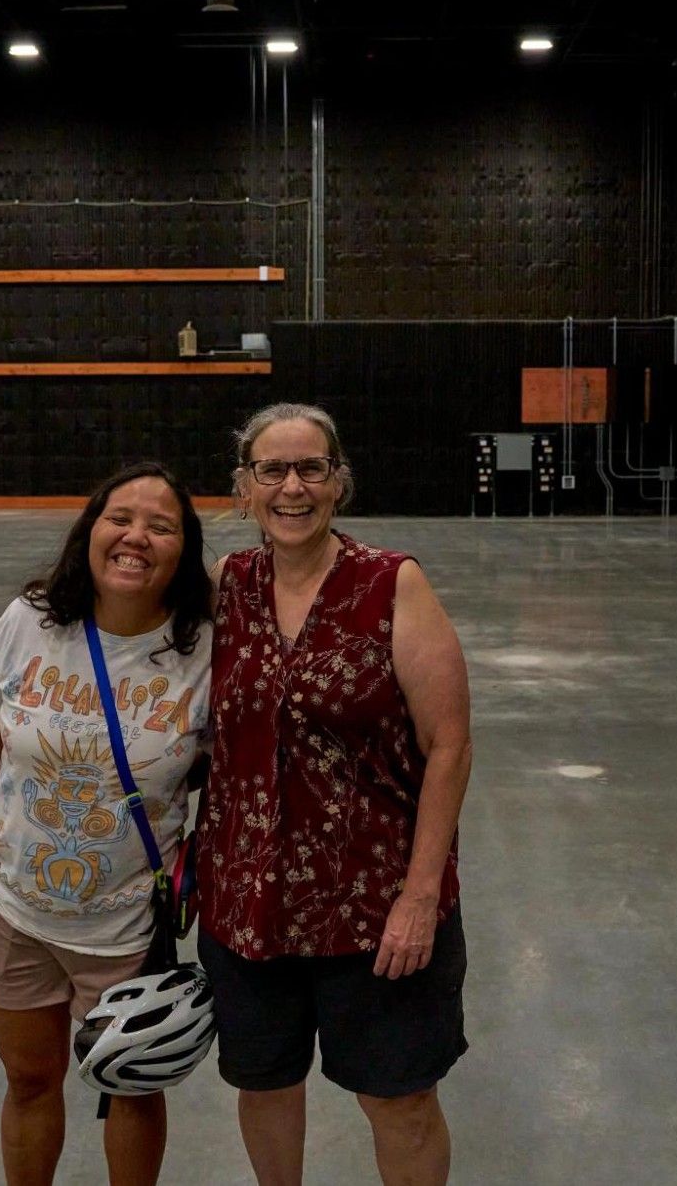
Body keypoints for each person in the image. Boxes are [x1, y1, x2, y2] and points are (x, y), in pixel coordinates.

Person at [197, 403, 475, 1186]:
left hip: (376, 909)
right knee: (266, 1084)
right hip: (247, 904)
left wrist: (421, 894)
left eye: (311, 468)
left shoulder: (393, 583)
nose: (293, 486)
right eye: (272, 470)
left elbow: (447, 745)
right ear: (244, 486)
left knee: (400, 1100)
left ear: (337, 482)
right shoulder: (228, 586)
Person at [0, 462, 213, 1186]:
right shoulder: (30, 622)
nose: (136, 536)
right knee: (30, 1082)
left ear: (183, 550)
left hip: (127, 928)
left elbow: (232, 775)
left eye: (161, 526)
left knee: (129, 1089)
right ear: (89, 531)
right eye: (119, 517)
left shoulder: (206, 651)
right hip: (18, 909)